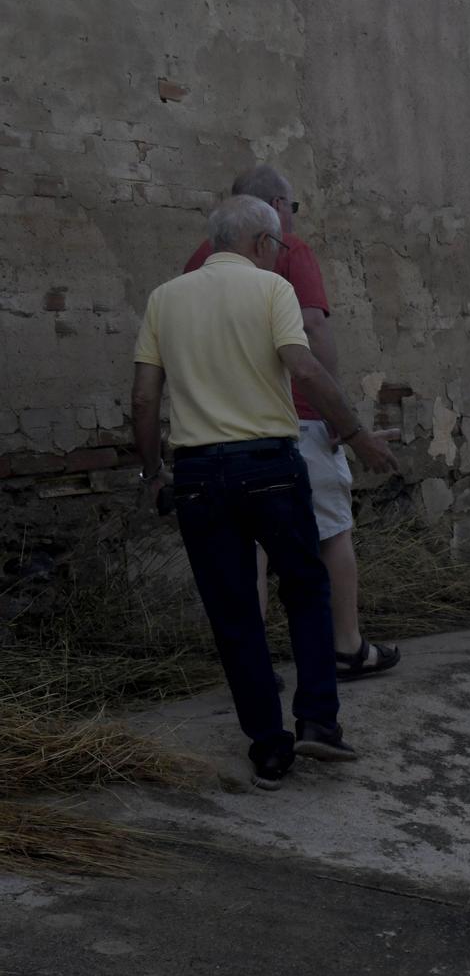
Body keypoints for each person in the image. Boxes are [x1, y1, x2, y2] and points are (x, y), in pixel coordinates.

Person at [133, 196, 397, 788]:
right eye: (277, 246)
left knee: (234, 615)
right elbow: (303, 370)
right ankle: (317, 724)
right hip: (270, 467)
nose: (279, 255)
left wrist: (153, 475)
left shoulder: (164, 299)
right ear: (260, 243)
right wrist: (354, 435)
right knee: (305, 591)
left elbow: (145, 399)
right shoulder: (272, 290)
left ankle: (269, 747)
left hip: (198, 476)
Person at [184, 164, 399, 680]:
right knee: (331, 529)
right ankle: (345, 646)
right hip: (295, 417)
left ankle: (256, 662)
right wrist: (337, 415)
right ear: (276, 211)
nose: (293, 222)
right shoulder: (287, 252)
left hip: (220, 430)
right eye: (293, 208)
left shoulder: (198, 262)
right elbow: (311, 328)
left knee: (250, 545)